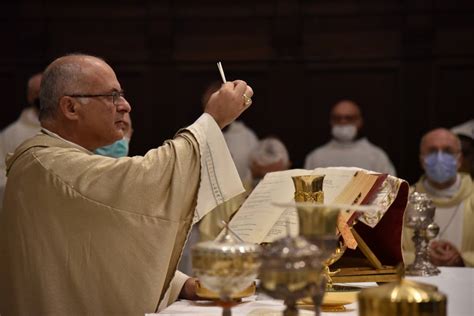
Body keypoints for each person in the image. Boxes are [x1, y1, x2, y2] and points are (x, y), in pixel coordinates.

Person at [0, 54, 254, 314]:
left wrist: (181, 284)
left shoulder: (54, 161)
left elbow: (101, 247)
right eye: (111, 96)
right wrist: (212, 121)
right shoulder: (46, 164)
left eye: (122, 95)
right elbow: (148, 179)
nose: (125, 106)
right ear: (71, 108)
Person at [403, 128, 474, 267]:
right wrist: (422, 257)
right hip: (417, 284)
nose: (440, 158)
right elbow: (389, 254)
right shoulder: (404, 199)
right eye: (432, 151)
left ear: (459, 159)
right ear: (422, 160)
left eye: (447, 151)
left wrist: (463, 259)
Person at [304, 99, 396, 175]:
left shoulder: (377, 156)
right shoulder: (315, 157)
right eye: (337, 118)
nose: (343, 122)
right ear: (331, 121)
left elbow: (390, 190)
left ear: (359, 121)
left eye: (349, 118)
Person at [0, 73, 42, 209]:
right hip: (22, 199)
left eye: (44, 91)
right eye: (36, 92)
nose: (41, 96)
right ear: (30, 96)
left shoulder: (69, 128)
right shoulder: (10, 134)